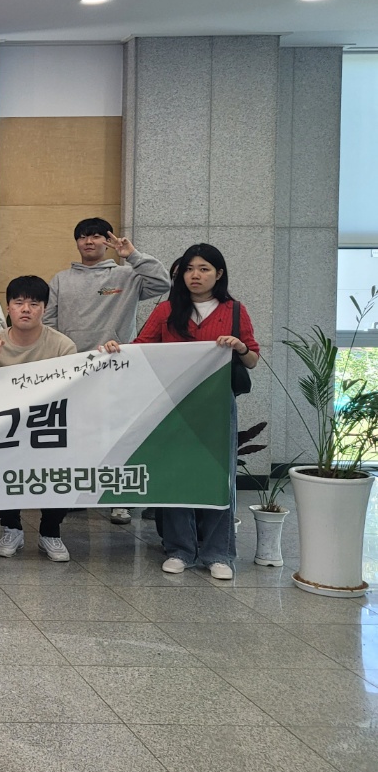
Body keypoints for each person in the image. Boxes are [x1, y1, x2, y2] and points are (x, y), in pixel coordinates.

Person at [113, 243, 257, 580]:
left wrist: (239, 346)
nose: (195, 275)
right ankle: (179, 549)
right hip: (173, 406)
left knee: (218, 478)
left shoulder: (235, 310)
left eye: (204, 269)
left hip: (216, 407)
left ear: (218, 274)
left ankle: (219, 553)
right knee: (176, 475)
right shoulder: (166, 310)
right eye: (190, 269)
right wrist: (115, 350)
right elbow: (142, 348)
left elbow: (252, 359)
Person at [45, 218, 170, 525]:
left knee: (119, 435)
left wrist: (133, 255)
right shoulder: (61, 279)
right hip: (74, 369)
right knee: (77, 434)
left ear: (107, 241)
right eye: (83, 237)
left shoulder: (127, 275)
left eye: (96, 236)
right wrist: (62, 358)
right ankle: (77, 492)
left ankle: (120, 500)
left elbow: (163, 283)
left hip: (117, 367)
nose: (89, 242)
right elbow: (48, 321)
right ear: (76, 242)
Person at [0, 275, 79, 562]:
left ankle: (50, 532)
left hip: (47, 426)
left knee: (59, 469)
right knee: (1, 466)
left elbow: (73, 390)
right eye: (19, 303)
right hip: (5, 428)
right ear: (8, 307)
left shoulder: (62, 346)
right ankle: (12, 528)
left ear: (45, 308)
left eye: (34, 303)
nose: (26, 309)